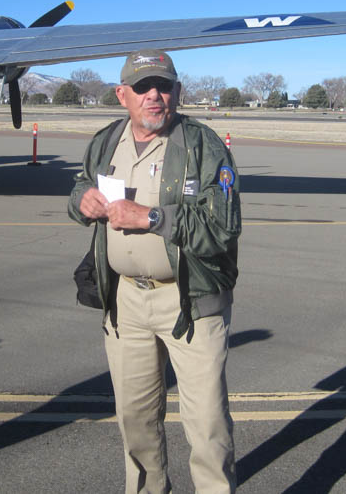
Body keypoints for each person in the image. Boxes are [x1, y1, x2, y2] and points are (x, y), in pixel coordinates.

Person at [68, 49, 240, 493]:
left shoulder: (204, 147)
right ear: (122, 94)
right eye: (143, 87)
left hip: (189, 302)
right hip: (125, 301)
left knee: (207, 429)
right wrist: (81, 202)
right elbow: (80, 186)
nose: (154, 95)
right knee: (136, 424)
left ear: (178, 92)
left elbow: (222, 229)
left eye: (164, 86)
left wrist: (152, 218)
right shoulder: (105, 141)